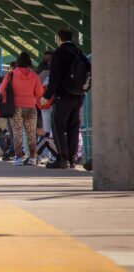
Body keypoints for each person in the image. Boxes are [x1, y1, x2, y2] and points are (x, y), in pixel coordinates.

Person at [40, 28, 90, 169]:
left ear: (59, 38)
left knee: (57, 124)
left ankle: (62, 158)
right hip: (79, 94)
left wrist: (46, 96)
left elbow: (55, 78)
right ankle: (73, 159)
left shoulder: (58, 53)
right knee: (74, 126)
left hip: (64, 94)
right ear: (72, 39)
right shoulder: (79, 52)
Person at [0, 52, 43, 166]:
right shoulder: (34, 75)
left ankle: (18, 158)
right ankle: (33, 158)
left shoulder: (11, 75)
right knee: (31, 134)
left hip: (15, 107)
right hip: (31, 107)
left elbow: (1, 90)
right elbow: (40, 92)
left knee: (17, 133)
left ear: (18, 62)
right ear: (29, 62)